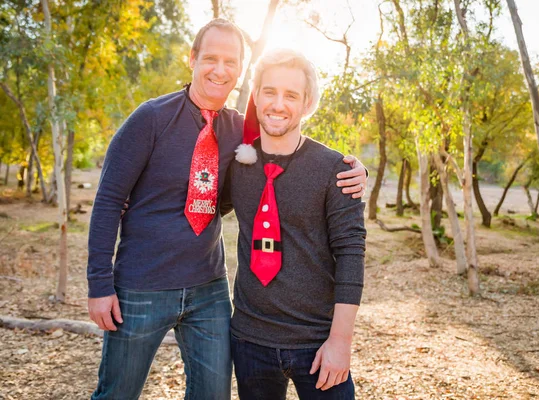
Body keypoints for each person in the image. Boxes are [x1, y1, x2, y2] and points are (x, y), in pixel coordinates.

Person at [86, 19, 367, 400]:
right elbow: (108, 201)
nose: (220, 70)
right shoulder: (150, 118)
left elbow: (291, 141)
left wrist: (354, 169)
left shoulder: (239, 131)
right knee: (117, 393)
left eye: (230, 62)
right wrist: (100, 284)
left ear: (240, 72)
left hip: (209, 291)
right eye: (211, 58)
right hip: (142, 287)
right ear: (192, 59)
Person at [222, 48, 365, 400]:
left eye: (291, 95)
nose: (278, 104)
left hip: (316, 343)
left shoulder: (337, 170)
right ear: (256, 96)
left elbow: (351, 253)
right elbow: (199, 198)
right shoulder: (236, 164)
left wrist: (340, 343)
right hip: (250, 339)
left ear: (307, 103)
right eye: (269, 91)